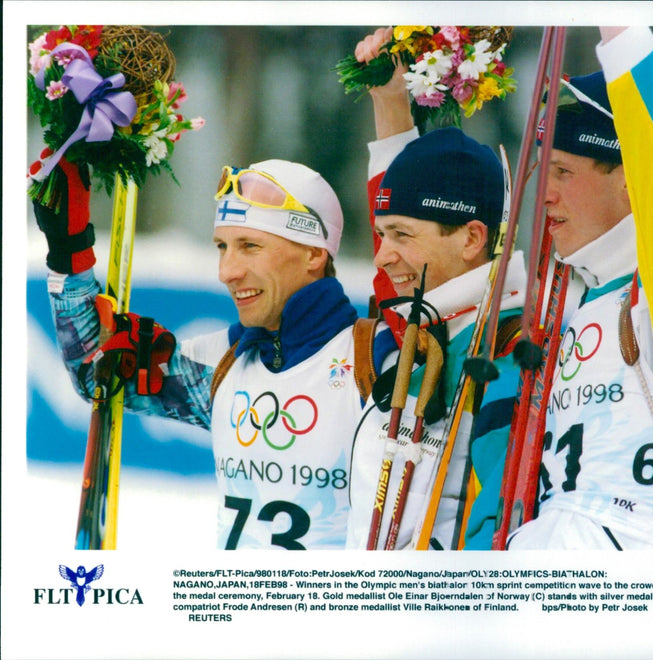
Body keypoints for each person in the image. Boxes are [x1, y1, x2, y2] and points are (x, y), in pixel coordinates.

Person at [35, 156, 364, 550]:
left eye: (250, 247)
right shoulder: (223, 363)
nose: (227, 271)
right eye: (223, 247)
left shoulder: (373, 364)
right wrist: (70, 253)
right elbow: (97, 372)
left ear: (314, 253)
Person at [501, 26, 653, 550]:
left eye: (563, 171)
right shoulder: (579, 294)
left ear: (631, 182)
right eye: (546, 171)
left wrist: (619, 26)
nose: (546, 194)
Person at [345, 28, 528, 550]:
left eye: (401, 236)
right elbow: (395, 202)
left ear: (472, 238)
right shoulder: (420, 320)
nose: (382, 255)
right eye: (381, 235)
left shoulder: (509, 349)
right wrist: (390, 100)